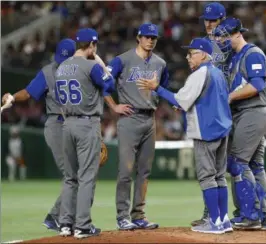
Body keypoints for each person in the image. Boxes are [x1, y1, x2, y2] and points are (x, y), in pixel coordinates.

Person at [137, 37, 232, 234]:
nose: (188, 57)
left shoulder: (200, 74)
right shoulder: (217, 73)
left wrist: (157, 88)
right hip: (223, 130)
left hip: (206, 131)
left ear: (204, 54)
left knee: (207, 177)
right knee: (220, 177)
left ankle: (214, 222)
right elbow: (207, 100)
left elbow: (180, 99)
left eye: (192, 53)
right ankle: (223, 220)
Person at [1, 38, 76, 231]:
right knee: (72, 174)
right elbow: (28, 92)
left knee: (81, 174)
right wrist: (13, 97)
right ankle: (59, 218)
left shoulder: (82, 68)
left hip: (77, 124)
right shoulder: (49, 71)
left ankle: (58, 216)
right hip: (57, 125)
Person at [104, 23, 169, 230]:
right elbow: (103, 84)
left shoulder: (160, 63)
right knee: (125, 171)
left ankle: (138, 215)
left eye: (154, 37)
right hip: (129, 118)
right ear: (138, 38)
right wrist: (113, 106)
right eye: (147, 36)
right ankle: (123, 216)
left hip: (150, 119)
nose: (151, 40)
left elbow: (163, 88)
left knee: (144, 171)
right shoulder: (122, 60)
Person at [56, 28, 115, 239]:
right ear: (92, 45)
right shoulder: (91, 66)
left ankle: (65, 224)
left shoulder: (62, 67)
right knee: (86, 177)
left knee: (70, 177)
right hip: (87, 123)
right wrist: (99, 62)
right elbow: (110, 84)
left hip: (67, 124)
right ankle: (82, 226)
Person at [214, 17, 266, 230]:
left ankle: (249, 215)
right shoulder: (233, 57)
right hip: (246, 114)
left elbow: (257, 84)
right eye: (219, 37)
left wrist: (230, 96)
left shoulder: (252, 53)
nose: (221, 40)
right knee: (255, 166)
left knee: (237, 162)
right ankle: (260, 215)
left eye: (225, 36)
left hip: (252, 112)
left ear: (238, 33)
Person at [191, 1, 232, 227]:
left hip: (232, 107)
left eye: (213, 20)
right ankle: (212, 214)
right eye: (206, 20)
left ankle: (249, 214)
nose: (209, 23)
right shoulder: (200, 46)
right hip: (209, 110)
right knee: (211, 168)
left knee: (235, 166)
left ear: (222, 21)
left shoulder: (231, 44)